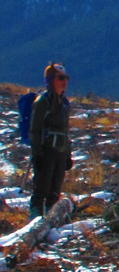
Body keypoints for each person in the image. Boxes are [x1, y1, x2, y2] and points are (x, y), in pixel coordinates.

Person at [29, 63, 73, 219]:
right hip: (46, 152)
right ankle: (34, 222)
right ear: (51, 80)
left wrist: (68, 155)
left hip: (60, 152)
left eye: (66, 78)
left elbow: (65, 131)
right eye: (61, 78)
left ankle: (51, 222)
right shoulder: (42, 102)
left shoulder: (64, 103)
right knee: (41, 190)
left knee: (54, 192)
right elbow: (34, 130)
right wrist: (37, 154)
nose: (65, 82)